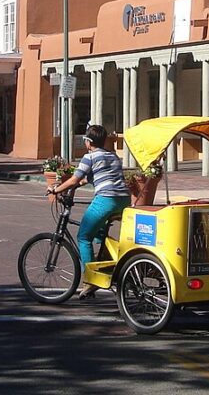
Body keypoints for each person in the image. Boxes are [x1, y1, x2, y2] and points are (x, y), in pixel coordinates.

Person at [45, 124, 131, 299]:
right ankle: (108, 254)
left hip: (106, 199)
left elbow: (75, 179)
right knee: (98, 229)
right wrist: (78, 184)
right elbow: (88, 179)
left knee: (84, 237)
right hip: (124, 200)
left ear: (88, 141)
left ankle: (90, 280)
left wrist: (56, 190)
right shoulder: (112, 156)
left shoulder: (89, 157)